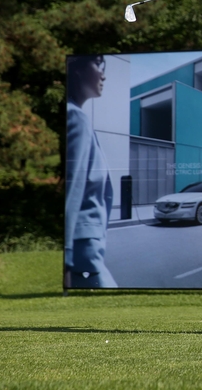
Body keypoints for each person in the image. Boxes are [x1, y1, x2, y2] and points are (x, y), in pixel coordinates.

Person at [64, 54, 118, 288]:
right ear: (76, 69)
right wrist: (65, 257)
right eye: (98, 64)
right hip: (82, 253)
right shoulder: (75, 117)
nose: (103, 74)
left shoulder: (72, 114)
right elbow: (72, 189)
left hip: (82, 249)